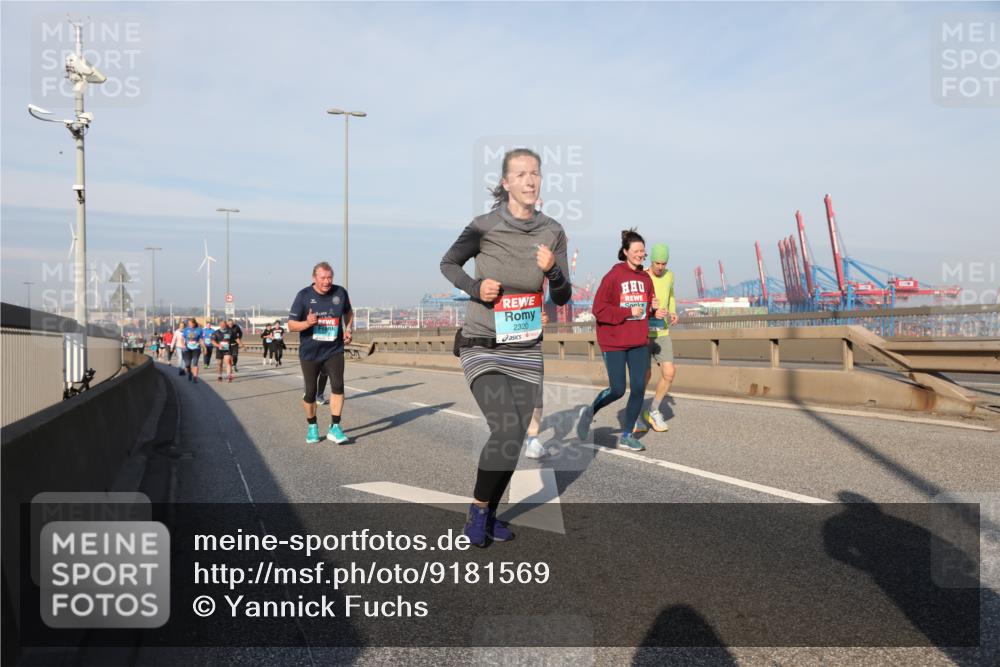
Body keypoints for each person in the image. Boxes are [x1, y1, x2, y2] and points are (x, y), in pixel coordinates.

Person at [440, 147, 571, 547]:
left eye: (536, 174)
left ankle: (489, 512)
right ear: (505, 183)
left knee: (513, 439)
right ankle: (479, 511)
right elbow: (448, 264)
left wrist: (552, 271)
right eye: (521, 174)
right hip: (482, 342)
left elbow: (563, 297)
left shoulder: (554, 231)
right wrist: (476, 287)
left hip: (526, 347)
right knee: (507, 426)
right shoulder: (483, 226)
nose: (530, 181)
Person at [576, 229, 654, 452]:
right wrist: (626, 311)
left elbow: (644, 309)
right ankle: (588, 413)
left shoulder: (646, 279)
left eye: (643, 252)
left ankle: (628, 435)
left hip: (638, 340)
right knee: (617, 389)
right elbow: (599, 309)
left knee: (639, 387)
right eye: (637, 251)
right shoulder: (613, 276)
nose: (641, 255)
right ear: (626, 252)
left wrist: (654, 312)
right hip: (614, 342)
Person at [287, 262, 354, 444]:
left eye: (330, 277)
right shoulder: (304, 296)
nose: (327, 281)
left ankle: (335, 427)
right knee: (310, 393)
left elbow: (348, 312)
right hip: (310, 352)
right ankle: (312, 425)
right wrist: (307, 323)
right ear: (314, 278)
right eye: (323, 278)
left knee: (338, 386)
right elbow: (291, 325)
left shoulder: (340, 292)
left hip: (334, 350)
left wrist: (348, 329)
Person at [642, 242, 678, 432]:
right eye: (657, 263)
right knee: (645, 376)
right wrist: (651, 309)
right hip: (644, 333)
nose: (660, 267)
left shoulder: (670, 276)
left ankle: (653, 410)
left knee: (669, 373)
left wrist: (672, 312)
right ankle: (636, 414)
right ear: (651, 260)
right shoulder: (642, 276)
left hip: (662, 332)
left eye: (664, 263)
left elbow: (671, 296)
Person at [180, 318, 204, 383]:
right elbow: (182, 338)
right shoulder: (186, 329)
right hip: (187, 348)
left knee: (195, 363)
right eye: (189, 323)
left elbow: (201, 339)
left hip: (196, 348)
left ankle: (195, 377)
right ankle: (190, 373)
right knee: (187, 364)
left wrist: (204, 347)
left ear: (194, 323)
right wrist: (183, 345)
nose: (190, 325)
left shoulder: (199, 329)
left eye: (191, 323)